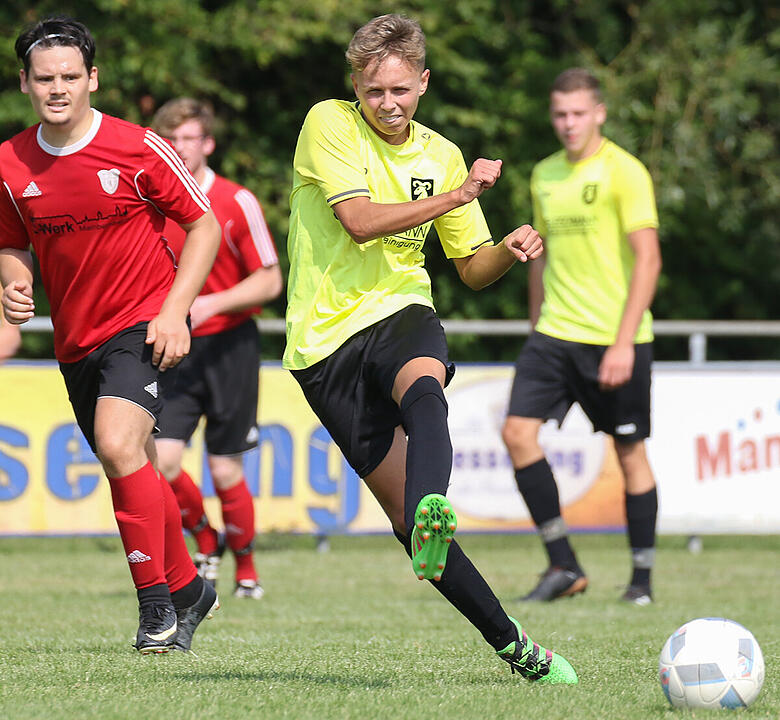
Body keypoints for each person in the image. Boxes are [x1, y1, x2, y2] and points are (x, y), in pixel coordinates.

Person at [284, 14, 577, 684]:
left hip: (400, 307)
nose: (386, 103)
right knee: (409, 532)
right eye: (373, 90)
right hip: (324, 343)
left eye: (399, 90)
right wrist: (461, 193)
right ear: (355, 85)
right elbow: (357, 222)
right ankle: (513, 643)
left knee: (424, 384)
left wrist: (507, 247)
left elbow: (470, 266)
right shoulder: (328, 122)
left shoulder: (441, 156)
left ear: (423, 81)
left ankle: (431, 507)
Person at [0, 17, 222, 653]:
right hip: (76, 339)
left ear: (92, 79)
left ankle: (155, 612)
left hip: (142, 321)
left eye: (71, 76)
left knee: (118, 442)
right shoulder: (10, 162)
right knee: (134, 464)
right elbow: (12, 242)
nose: (59, 88)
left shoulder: (138, 147)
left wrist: (176, 310)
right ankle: (187, 590)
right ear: (25, 83)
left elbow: (202, 227)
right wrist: (13, 283)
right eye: (45, 79)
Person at [501, 68, 662, 606]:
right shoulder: (543, 173)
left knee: (629, 451)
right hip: (554, 335)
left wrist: (622, 342)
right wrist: (534, 324)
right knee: (517, 433)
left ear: (599, 113)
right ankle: (563, 565)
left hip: (616, 337)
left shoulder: (626, 172)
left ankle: (640, 582)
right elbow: (537, 259)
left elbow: (648, 259)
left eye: (577, 114)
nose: (567, 124)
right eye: (559, 114)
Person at [151, 98, 283, 599]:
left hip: (230, 346)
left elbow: (269, 281)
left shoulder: (235, 200)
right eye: (172, 140)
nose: (181, 149)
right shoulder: (153, 201)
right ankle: (205, 536)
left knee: (226, 467)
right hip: (174, 347)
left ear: (207, 143)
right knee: (162, 462)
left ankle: (245, 566)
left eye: (190, 139)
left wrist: (211, 305)